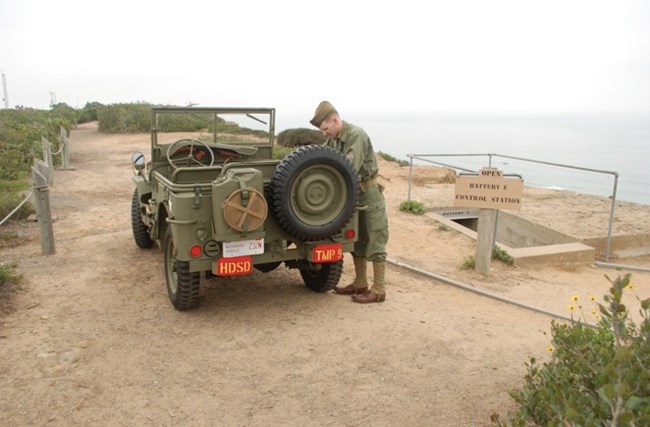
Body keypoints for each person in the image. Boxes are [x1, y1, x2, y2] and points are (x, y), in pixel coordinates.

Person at [309, 101, 389, 304]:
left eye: (326, 128)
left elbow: (349, 166)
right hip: (352, 195)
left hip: (369, 193)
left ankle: (378, 290)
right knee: (357, 239)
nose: (325, 133)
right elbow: (323, 156)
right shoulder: (334, 139)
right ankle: (360, 283)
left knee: (375, 237)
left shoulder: (356, 135)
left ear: (335, 120)